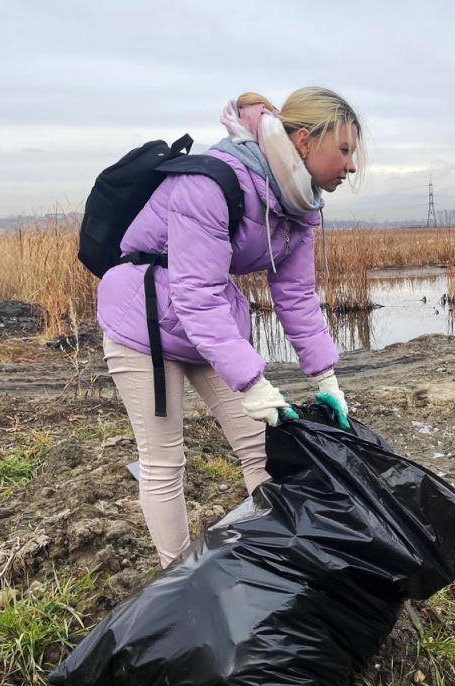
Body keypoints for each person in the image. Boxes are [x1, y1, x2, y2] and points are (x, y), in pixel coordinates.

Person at [97, 88, 364, 567]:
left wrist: (326, 377)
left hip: (206, 322)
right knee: (164, 461)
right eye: (344, 150)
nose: (352, 165)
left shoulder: (300, 206)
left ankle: (277, 561)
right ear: (304, 141)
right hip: (143, 324)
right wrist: (252, 380)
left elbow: (296, 296)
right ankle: (175, 583)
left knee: (263, 445)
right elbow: (194, 291)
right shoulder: (212, 181)